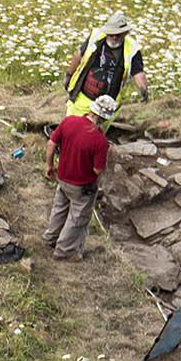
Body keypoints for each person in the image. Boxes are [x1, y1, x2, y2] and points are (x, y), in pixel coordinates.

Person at [44, 94, 117, 261]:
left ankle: (50, 238)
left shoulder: (69, 121)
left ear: (92, 108)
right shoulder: (100, 141)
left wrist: (49, 165)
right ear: (106, 118)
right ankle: (65, 251)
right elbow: (97, 170)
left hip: (62, 177)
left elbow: (51, 143)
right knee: (77, 218)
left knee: (59, 209)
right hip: (81, 186)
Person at [64, 11, 147, 113]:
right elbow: (79, 55)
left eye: (118, 34)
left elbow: (138, 73)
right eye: (111, 34)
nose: (114, 37)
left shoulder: (132, 49)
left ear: (125, 33)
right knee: (72, 126)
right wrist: (69, 75)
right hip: (82, 98)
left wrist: (143, 91)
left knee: (97, 129)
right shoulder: (95, 37)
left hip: (107, 106)